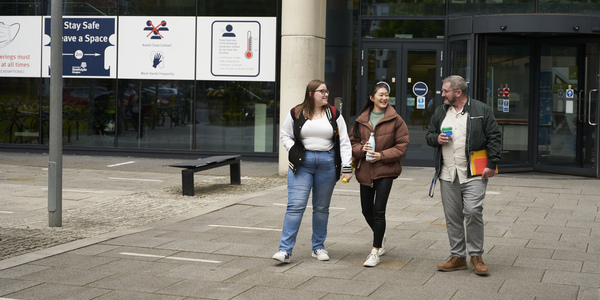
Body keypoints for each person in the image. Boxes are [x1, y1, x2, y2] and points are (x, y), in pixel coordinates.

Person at [425, 75, 501, 276]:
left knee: (473, 211)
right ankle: (458, 257)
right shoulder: (441, 112)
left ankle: (476, 255)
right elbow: (429, 134)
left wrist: (492, 164)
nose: (442, 94)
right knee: (453, 216)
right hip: (448, 173)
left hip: (474, 172)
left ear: (458, 92)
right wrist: (436, 138)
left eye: (445, 91)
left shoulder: (481, 110)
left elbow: (494, 136)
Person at [272, 79, 353, 264]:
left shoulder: (334, 114)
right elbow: (285, 134)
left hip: (327, 163)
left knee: (321, 208)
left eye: (327, 91)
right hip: (302, 163)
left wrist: (347, 168)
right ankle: (285, 250)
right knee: (295, 206)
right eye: (321, 91)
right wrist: (293, 150)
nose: (326, 94)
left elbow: (344, 142)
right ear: (311, 94)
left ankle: (318, 247)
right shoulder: (296, 112)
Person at [349, 81, 409, 267]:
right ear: (372, 97)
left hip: (385, 170)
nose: (384, 98)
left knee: (379, 210)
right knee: (366, 210)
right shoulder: (361, 120)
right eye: (381, 95)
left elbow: (402, 146)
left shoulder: (396, 119)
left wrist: (381, 155)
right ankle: (380, 235)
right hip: (365, 171)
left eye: (386, 95)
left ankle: (375, 251)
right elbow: (351, 144)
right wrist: (361, 148)